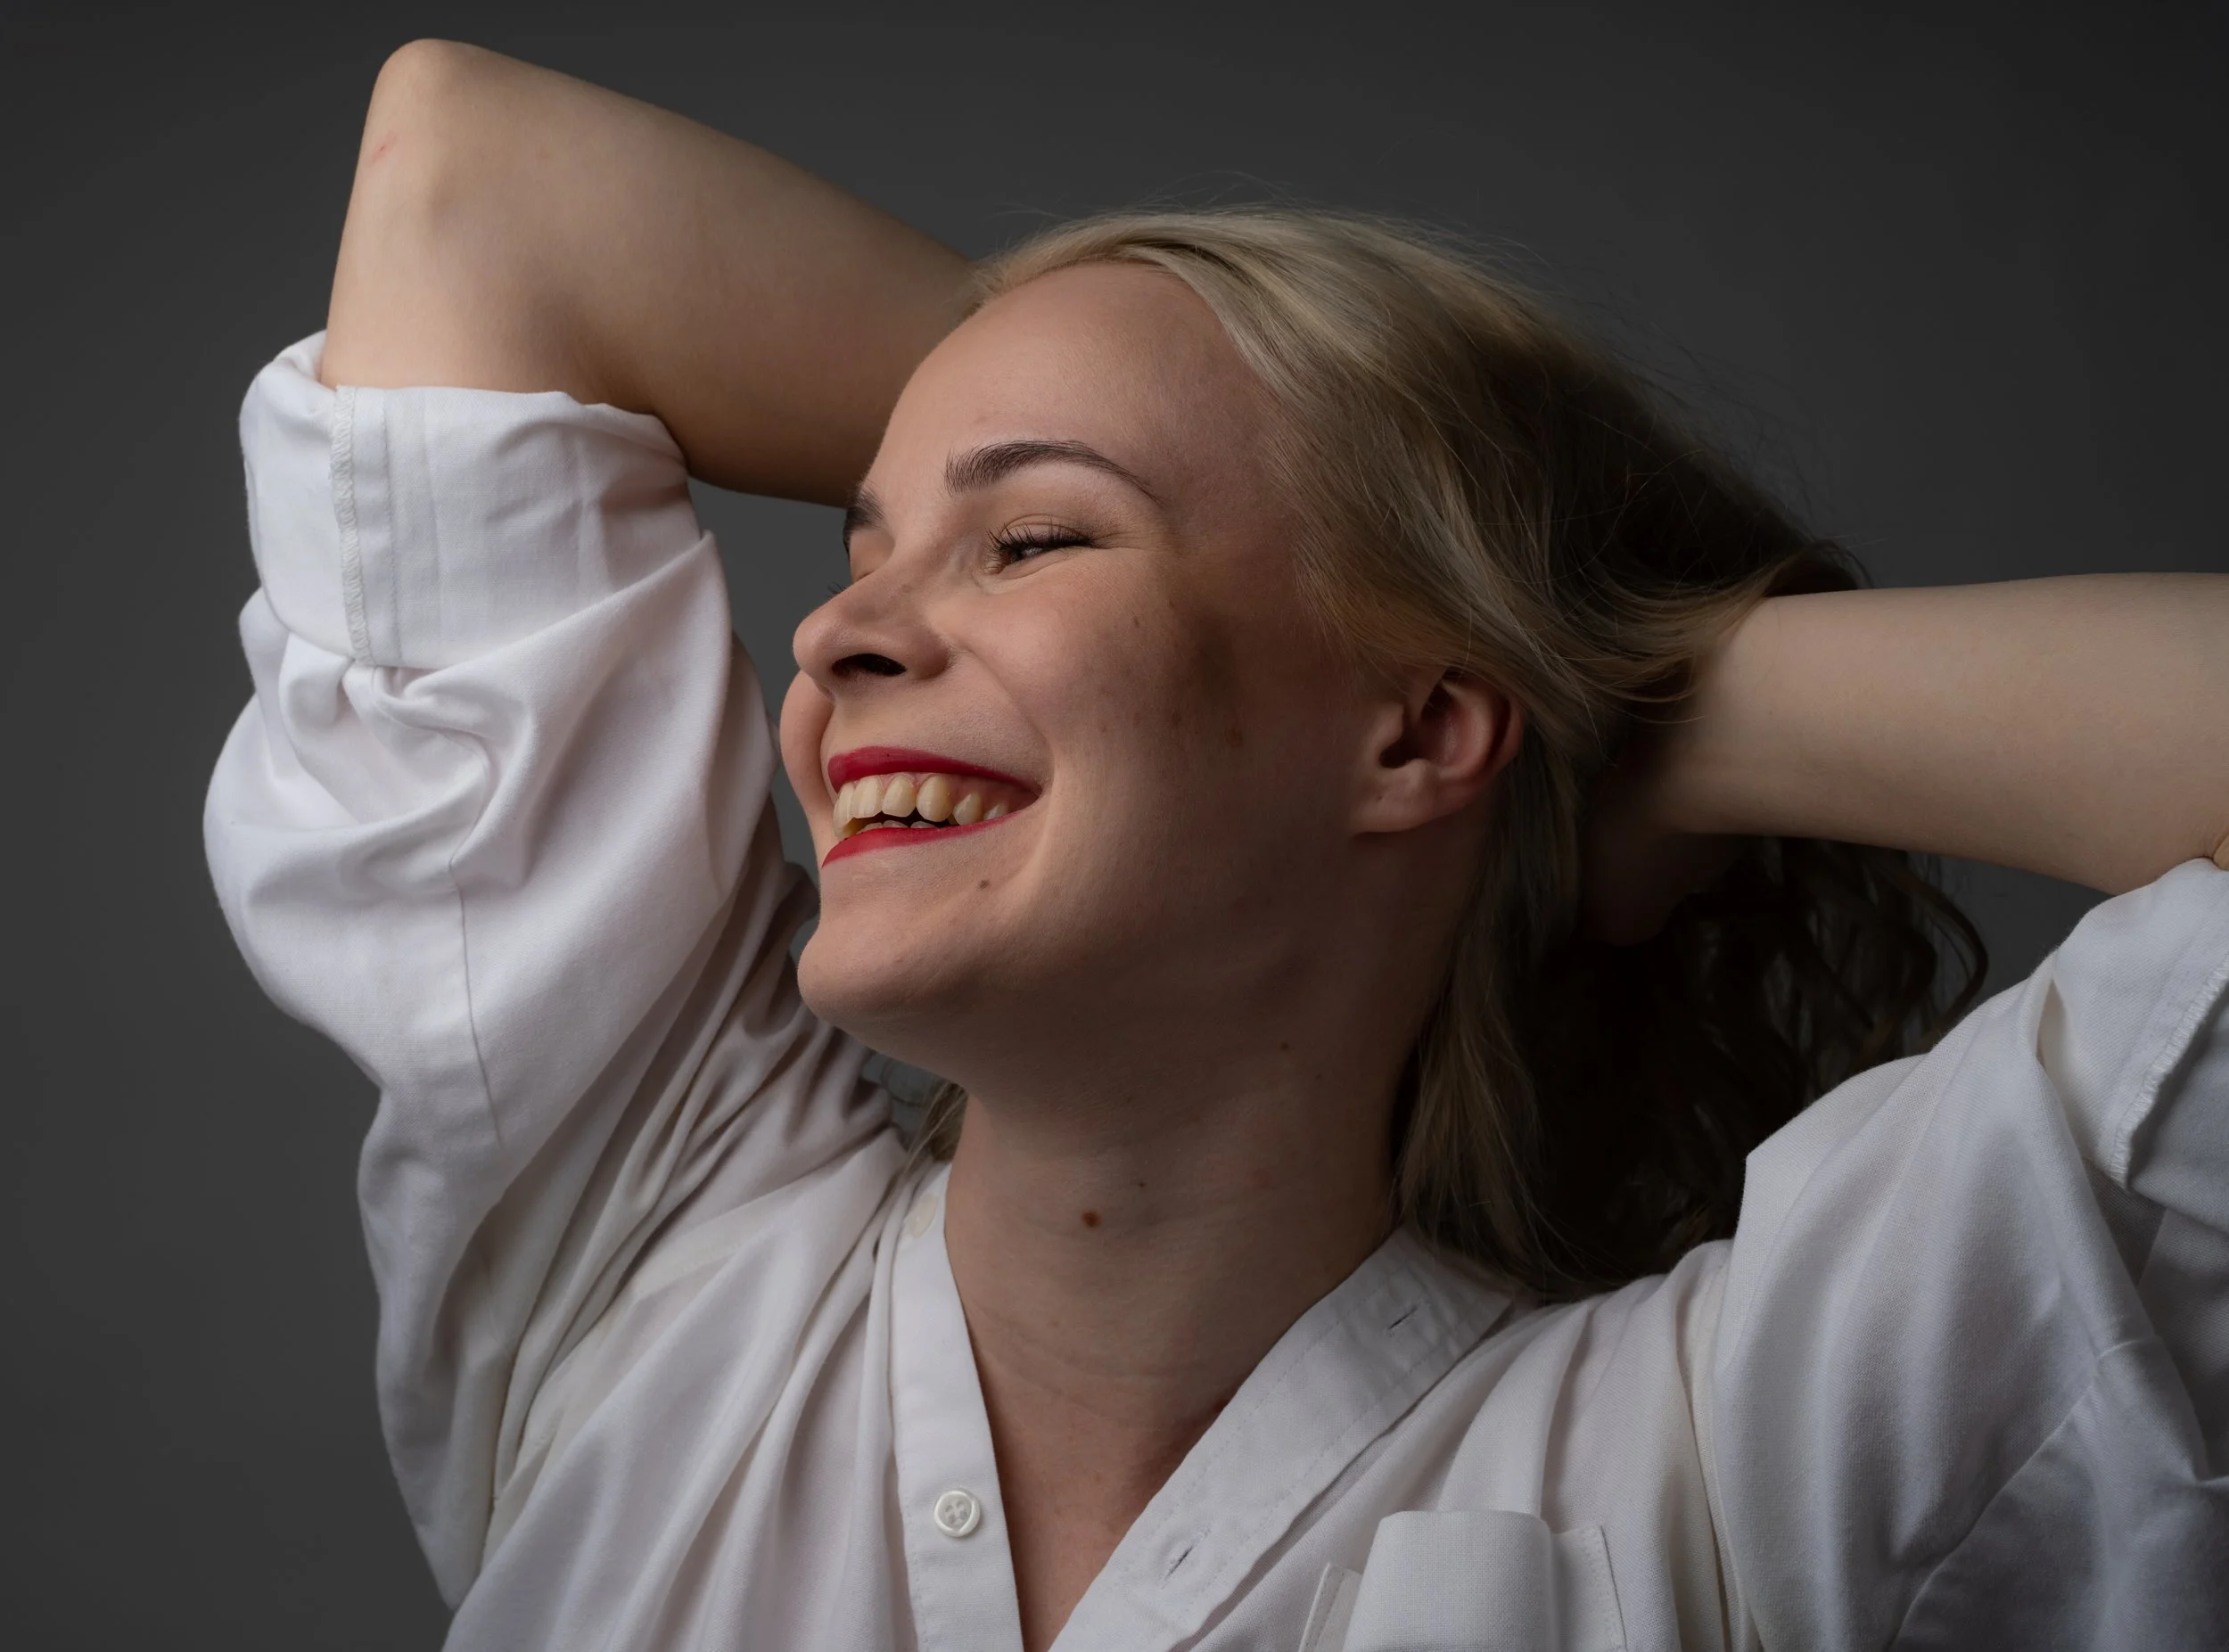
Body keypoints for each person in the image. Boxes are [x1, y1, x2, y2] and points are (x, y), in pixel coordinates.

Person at [203, 39, 2229, 1652]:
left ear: (1423, 728)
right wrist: (1264, 482)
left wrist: (1584, 672)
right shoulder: (641, 1272)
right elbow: (469, 184)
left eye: (1031, 538)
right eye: (868, 542)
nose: (835, 637)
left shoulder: (1729, 1460)